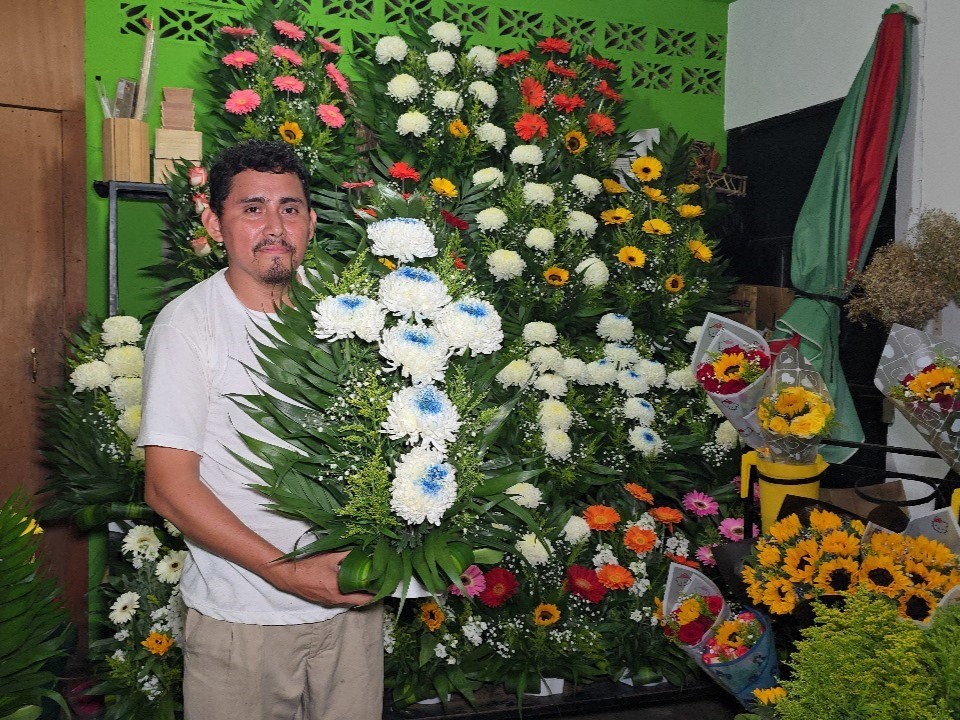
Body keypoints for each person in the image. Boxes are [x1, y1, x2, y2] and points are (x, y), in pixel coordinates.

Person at [138, 140, 382, 720]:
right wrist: (295, 575)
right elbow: (168, 486)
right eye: (252, 208)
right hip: (244, 621)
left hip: (349, 616)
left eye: (290, 208)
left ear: (312, 222)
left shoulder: (345, 317)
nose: (275, 226)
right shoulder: (188, 326)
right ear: (214, 225)